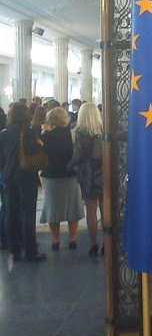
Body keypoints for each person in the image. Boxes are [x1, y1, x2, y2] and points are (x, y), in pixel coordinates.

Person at [0, 103, 46, 262]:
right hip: (26, 176)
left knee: (11, 212)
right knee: (27, 213)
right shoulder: (28, 133)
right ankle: (30, 250)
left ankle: (14, 248)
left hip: (9, 176)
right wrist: (39, 143)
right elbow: (35, 150)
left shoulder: (4, 134)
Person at [40, 107, 84, 250]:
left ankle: (56, 239)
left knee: (53, 208)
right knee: (72, 208)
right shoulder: (71, 135)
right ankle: (73, 238)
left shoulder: (45, 136)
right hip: (70, 175)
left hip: (51, 175)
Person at [66, 103, 103, 256]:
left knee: (91, 210)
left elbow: (78, 156)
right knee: (106, 210)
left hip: (88, 175)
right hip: (104, 172)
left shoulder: (80, 132)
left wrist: (69, 167)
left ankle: (94, 244)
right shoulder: (103, 129)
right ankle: (107, 243)